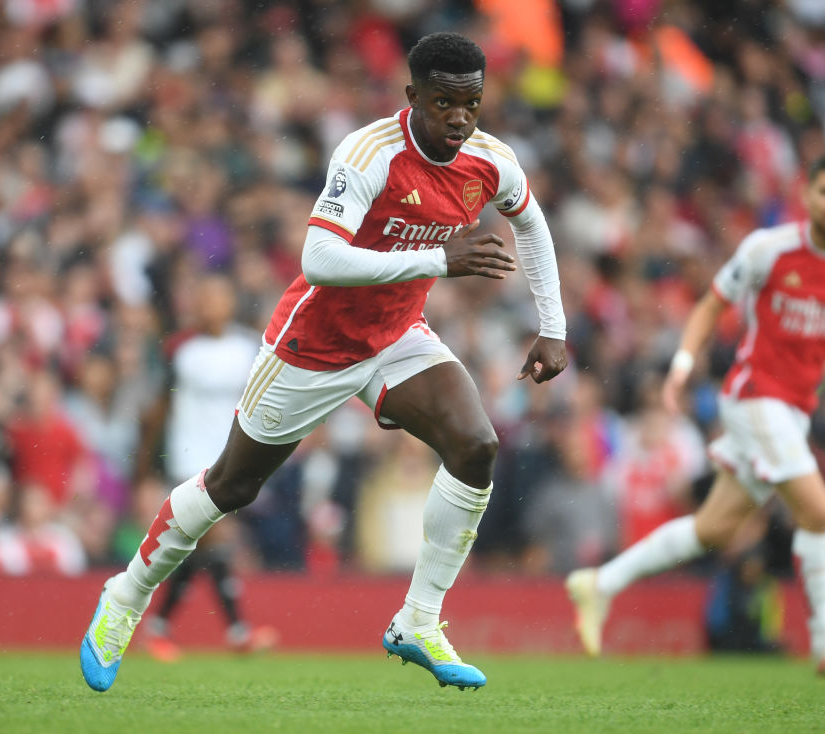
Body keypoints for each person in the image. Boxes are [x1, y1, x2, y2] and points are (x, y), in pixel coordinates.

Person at [80, 32, 568, 692]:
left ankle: (418, 621)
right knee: (231, 486)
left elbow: (533, 225)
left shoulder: (491, 161)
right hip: (314, 345)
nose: (459, 117)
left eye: (472, 104)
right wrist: (439, 259)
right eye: (445, 102)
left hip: (397, 335)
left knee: (477, 445)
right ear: (412, 96)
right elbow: (319, 260)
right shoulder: (368, 154)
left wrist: (553, 327)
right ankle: (125, 597)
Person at [566, 152, 825, 680]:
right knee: (819, 511)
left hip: (795, 410)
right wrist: (682, 364)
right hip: (752, 397)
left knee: (712, 528)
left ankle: (599, 583)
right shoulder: (769, 249)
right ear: (806, 195)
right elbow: (709, 307)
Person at [134, 272, 277, 660]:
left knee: (194, 547)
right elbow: (158, 412)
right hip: (186, 460)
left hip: (228, 460)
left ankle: (159, 627)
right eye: (205, 298)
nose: (211, 305)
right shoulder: (180, 349)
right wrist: (144, 473)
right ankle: (236, 631)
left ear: (231, 303)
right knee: (216, 538)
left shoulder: (249, 348)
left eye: (219, 297)